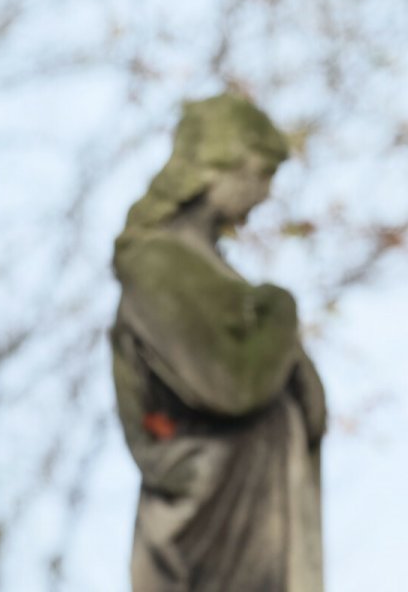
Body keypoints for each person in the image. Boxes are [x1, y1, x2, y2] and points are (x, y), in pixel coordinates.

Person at [111, 94, 326, 592]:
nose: (266, 193)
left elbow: (305, 405)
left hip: (253, 515)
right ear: (221, 162)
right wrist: (282, 310)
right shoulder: (157, 264)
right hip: (212, 528)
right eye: (263, 173)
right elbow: (234, 385)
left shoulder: (217, 271)